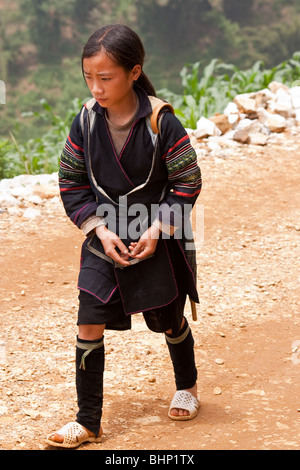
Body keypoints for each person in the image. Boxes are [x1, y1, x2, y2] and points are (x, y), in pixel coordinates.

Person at [45, 24, 202, 449]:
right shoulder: (85, 121)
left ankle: (186, 385)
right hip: (104, 236)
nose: (96, 88)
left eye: (106, 78)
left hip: (157, 237)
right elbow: (71, 181)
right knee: (89, 319)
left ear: (134, 72)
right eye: (88, 78)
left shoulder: (160, 121)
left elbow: (187, 181)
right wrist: (96, 227)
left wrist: (156, 228)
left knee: (167, 319)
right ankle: (88, 420)